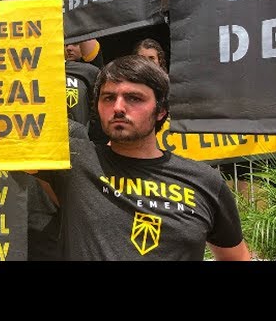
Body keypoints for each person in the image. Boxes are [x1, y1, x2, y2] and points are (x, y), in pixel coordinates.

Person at [40, 55, 250, 260]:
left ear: (161, 110)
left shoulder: (205, 182)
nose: (118, 108)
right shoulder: (74, 160)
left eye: (134, 98)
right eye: (108, 98)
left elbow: (236, 257)